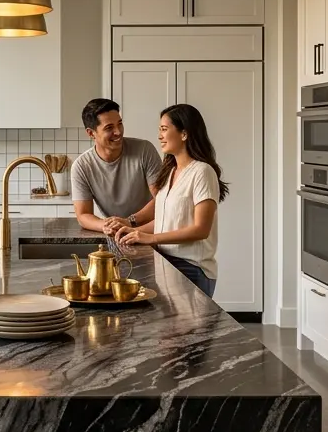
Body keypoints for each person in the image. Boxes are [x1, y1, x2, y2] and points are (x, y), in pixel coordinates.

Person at [116, 104, 228, 298]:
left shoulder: (202, 172)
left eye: (164, 129)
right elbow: (164, 221)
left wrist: (150, 238)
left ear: (184, 134)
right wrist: (134, 231)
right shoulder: (170, 172)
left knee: (189, 330)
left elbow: (201, 229)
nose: (159, 135)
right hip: (167, 264)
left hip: (192, 268)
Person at [70, 98, 162, 235]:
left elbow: (162, 199)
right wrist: (106, 226)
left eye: (119, 124)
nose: (118, 132)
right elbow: (83, 215)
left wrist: (130, 221)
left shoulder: (144, 150)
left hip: (151, 231)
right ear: (91, 133)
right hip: (117, 234)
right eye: (109, 128)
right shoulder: (81, 166)